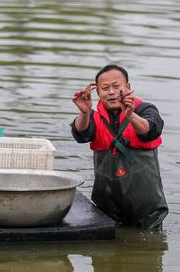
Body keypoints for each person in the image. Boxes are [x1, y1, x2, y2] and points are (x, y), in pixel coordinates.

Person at [71, 64, 168, 229]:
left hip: (146, 209)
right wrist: (85, 113)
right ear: (98, 92)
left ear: (128, 87)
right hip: (107, 207)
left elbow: (151, 130)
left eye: (116, 86)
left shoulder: (145, 109)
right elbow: (80, 134)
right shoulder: (93, 117)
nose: (111, 92)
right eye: (105, 88)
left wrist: (130, 115)